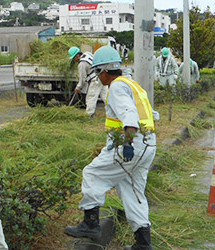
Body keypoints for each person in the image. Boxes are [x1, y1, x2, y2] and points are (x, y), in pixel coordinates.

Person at [64, 46, 157, 250]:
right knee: (133, 192)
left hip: (128, 145)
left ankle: (91, 224)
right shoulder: (132, 84)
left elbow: (129, 114)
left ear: (105, 71)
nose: (98, 77)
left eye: (98, 72)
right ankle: (143, 243)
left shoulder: (116, 87)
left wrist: (128, 143)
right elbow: (152, 114)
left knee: (92, 174)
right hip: (149, 144)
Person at [68, 46, 108, 117]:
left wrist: (78, 88)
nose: (74, 60)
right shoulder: (87, 54)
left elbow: (82, 79)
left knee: (91, 97)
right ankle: (113, 111)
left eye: (73, 58)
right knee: (106, 96)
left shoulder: (81, 64)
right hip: (102, 75)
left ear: (77, 55)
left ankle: (89, 115)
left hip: (95, 79)